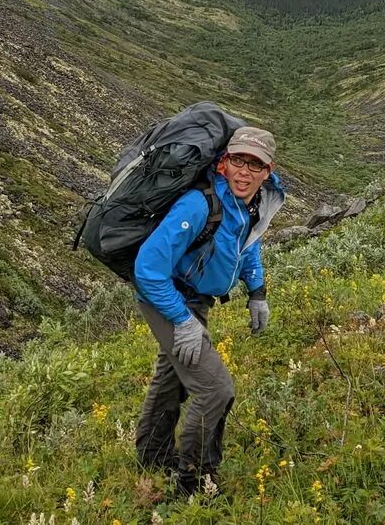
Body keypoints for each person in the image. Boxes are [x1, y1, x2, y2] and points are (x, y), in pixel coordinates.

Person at [132, 126, 285, 497]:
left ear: (268, 171)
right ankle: (196, 482)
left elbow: (247, 246)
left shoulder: (250, 204)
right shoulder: (199, 204)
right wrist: (182, 320)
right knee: (216, 389)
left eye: (255, 165)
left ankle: (152, 460)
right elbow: (148, 270)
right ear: (222, 163)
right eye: (237, 161)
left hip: (195, 301)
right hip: (167, 299)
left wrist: (257, 291)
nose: (244, 172)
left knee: (171, 382)